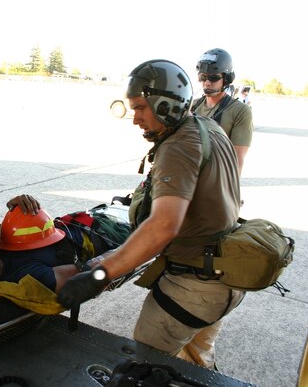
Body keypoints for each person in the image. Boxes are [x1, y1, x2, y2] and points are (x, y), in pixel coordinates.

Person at [57, 59, 245, 369]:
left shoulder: (178, 146)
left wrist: (99, 275)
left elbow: (163, 227)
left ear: (166, 104)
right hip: (226, 277)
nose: (136, 119)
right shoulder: (207, 127)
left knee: (142, 368)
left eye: (141, 108)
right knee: (196, 365)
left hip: (193, 287)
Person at [0, 194, 118, 293]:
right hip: (107, 233)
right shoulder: (29, 276)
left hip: (79, 221)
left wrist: (16, 209)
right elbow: (90, 273)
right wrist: (125, 252)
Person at [192, 48, 253, 176]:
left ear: (226, 79)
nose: (207, 83)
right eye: (203, 77)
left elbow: (237, 159)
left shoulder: (240, 111)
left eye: (214, 78)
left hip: (214, 179)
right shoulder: (192, 106)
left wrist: (230, 193)